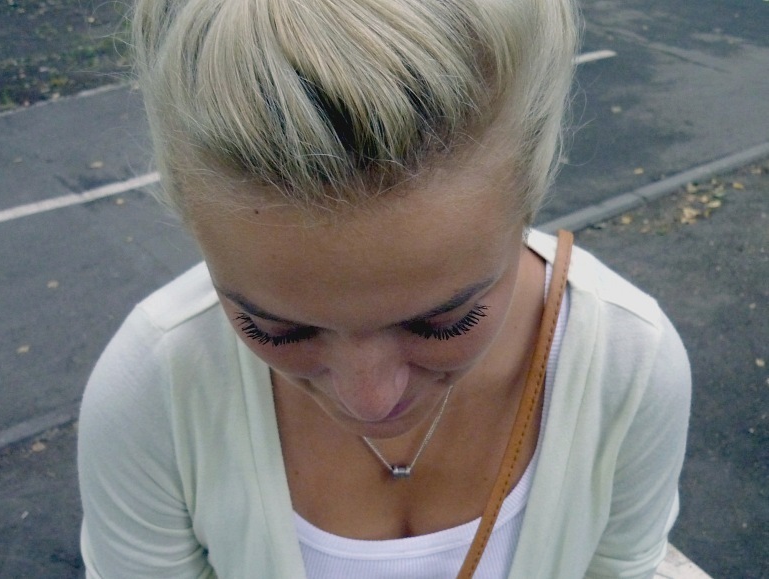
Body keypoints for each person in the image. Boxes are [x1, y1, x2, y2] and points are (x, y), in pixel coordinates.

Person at [77, 0, 691, 577]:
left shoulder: (627, 365)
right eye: (275, 329)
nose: (369, 402)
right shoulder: (152, 389)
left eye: (445, 321)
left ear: (530, 192)